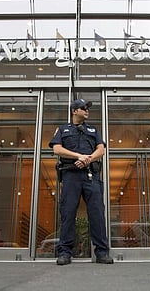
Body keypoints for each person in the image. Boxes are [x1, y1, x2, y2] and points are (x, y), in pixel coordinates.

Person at [49, 99, 114, 265]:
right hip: (71, 175)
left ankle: (102, 252)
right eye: (83, 108)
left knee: (97, 214)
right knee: (68, 213)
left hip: (90, 174)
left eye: (87, 108)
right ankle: (65, 253)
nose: (87, 111)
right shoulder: (63, 129)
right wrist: (79, 156)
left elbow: (101, 150)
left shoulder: (93, 129)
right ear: (74, 111)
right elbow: (56, 149)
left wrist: (88, 159)